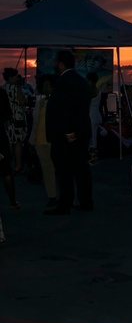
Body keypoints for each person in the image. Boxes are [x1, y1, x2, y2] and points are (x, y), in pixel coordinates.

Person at [44, 50, 95, 215]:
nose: (53, 64)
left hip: (66, 134)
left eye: (55, 61)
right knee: (81, 168)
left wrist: (68, 131)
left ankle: (65, 204)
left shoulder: (63, 82)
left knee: (64, 170)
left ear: (61, 63)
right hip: (82, 131)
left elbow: (65, 109)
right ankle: (85, 201)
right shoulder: (81, 81)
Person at [30, 74, 58, 207]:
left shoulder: (58, 102)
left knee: (57, 168)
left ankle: (61, 196)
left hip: (53, 140)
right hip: (39, 141)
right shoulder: (40, 102)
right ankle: (52, 196)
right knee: (47, 170)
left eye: (49, 85)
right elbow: (35, 123)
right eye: (45, 86)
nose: (47, 88)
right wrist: (32, 141)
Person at [3, 67, 29, 174]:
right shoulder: (16, 88)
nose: (17, 78)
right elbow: (23, 102)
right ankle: (18, 166)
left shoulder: (2, 88)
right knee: (18, 142)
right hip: (17, 117)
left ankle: (6, 164)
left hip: (6, 118)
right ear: (11, 77)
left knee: (8, 142)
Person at [86, 72, 102, 165]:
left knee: (92, 138)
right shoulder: (97, 89)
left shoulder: (90, 90)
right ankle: (93, 157)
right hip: (96, 114)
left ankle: (92, 158)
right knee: (94, 137)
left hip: (91, 115)